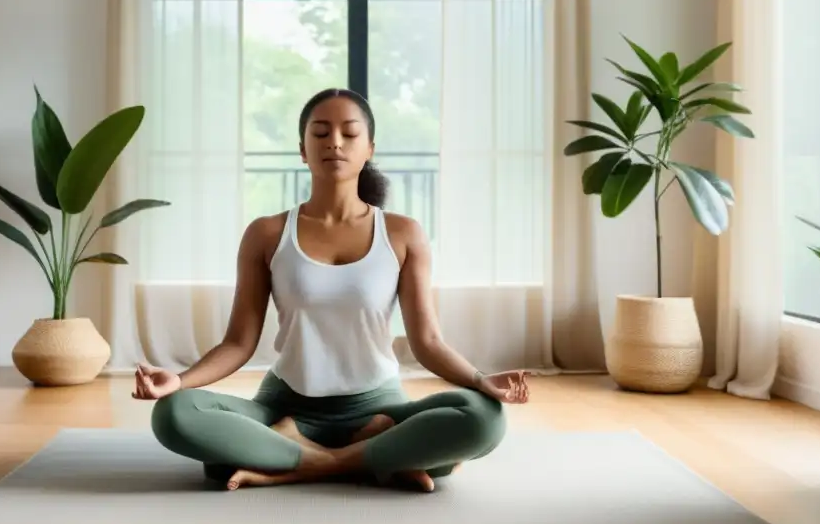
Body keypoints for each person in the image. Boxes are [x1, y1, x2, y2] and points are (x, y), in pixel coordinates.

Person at [133, 88, 530, 492]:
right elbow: (238, 343)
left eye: (349, 133)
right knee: (174, 415)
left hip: (379, 409)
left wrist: (481, 381)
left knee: (485, 418)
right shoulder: (266, 233)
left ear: (369, 147)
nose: (334, 142)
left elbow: (426, 341)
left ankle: (297, 460)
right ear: (302, 150)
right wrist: (179, 382)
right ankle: (378, 458)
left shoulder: (402, 233)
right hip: (284, 407)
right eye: (320, 133)